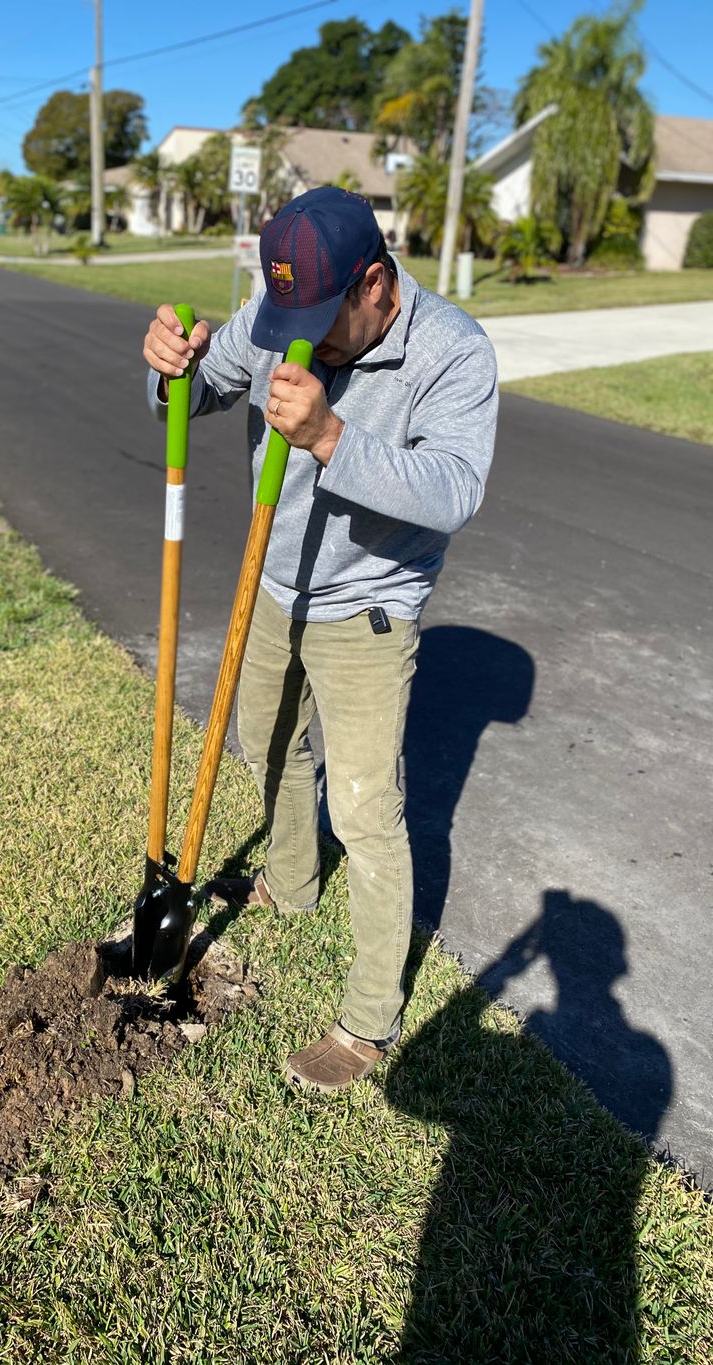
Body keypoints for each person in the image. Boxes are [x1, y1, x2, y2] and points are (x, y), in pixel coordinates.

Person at [142, 186, 498, 1092]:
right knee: (267, 744)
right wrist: (165, 368)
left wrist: (332, 435)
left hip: (369, 609)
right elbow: (197, 389)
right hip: (271, 584)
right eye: (284, 313)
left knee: (368, 813)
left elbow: (454, 489)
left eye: (322, 319)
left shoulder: (451, 350)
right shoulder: (282, 310)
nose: (299, 338)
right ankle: (291, 883)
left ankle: (367, 1024)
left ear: (375, 282)